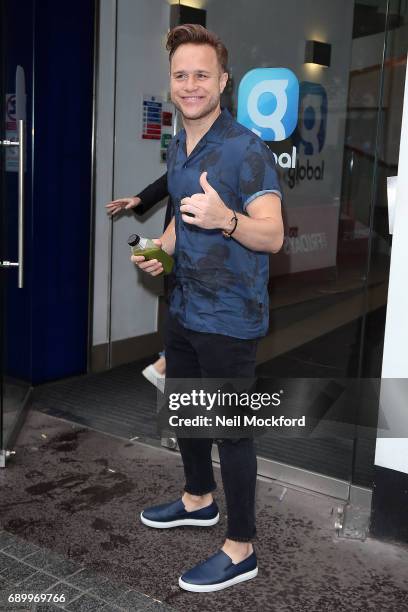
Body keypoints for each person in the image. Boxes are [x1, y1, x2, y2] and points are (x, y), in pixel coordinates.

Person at [132, 24, 283, 592]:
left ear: (223, 81)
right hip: (186, 307)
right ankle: (198, 499)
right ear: (170, 83)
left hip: (229, 317)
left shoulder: (246, 148)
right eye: (180, 75)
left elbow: (272, 236)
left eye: (201, 74)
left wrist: (229, 221)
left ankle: (240, 549)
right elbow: (178, 214)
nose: (190, 84)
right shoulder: (181, 141)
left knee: (230, 431)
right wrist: (160, 251)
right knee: (188, 413)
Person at [106, 174, 169, 391]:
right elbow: (169, 179)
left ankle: (166, 365)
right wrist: (139, 199)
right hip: (183, 241)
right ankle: (166, 365)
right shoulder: (183, 149)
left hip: (197, 241)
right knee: (184, 305)